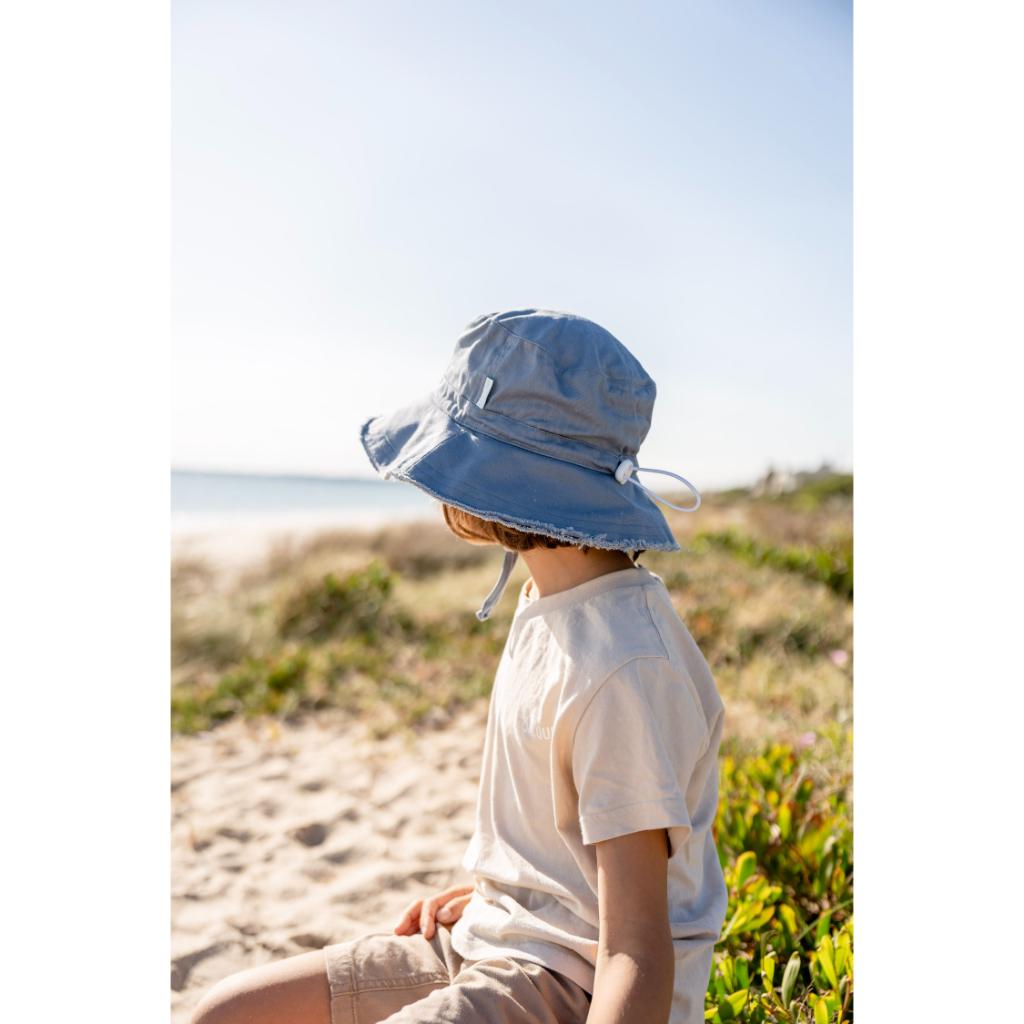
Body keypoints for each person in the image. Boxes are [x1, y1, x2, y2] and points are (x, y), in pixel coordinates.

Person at [190, 309, 728, 1024]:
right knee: (224, 1012)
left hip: (566, 982)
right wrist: (504, 894)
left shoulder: (623, 668)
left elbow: (635, 950)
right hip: (497, 939)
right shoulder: (552, 592)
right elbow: (570, 839)